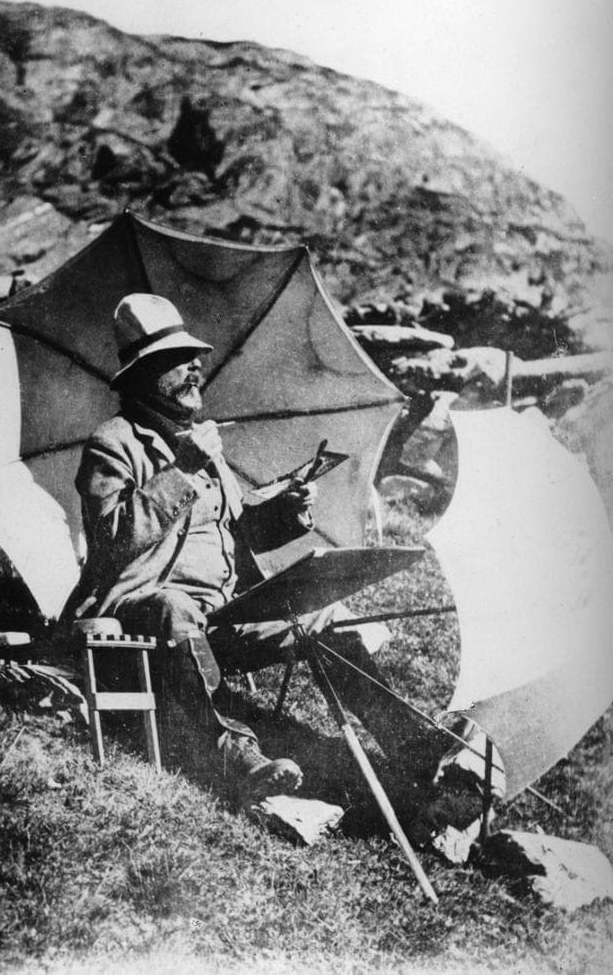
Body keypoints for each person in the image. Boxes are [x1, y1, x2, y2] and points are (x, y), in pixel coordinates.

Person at [60, 293, 445, 803]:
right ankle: (233, 750)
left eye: (195, 357)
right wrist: (183, 472)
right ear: (143, 375)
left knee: (320, 617)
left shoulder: (200, 442)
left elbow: (231, 531)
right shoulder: (114, 443)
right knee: (175, 608)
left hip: (221, 613)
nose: (196, 368)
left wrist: (287, 511)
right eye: (178, 361)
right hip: (144, 610)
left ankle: (410, 741)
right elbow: (111, 544)